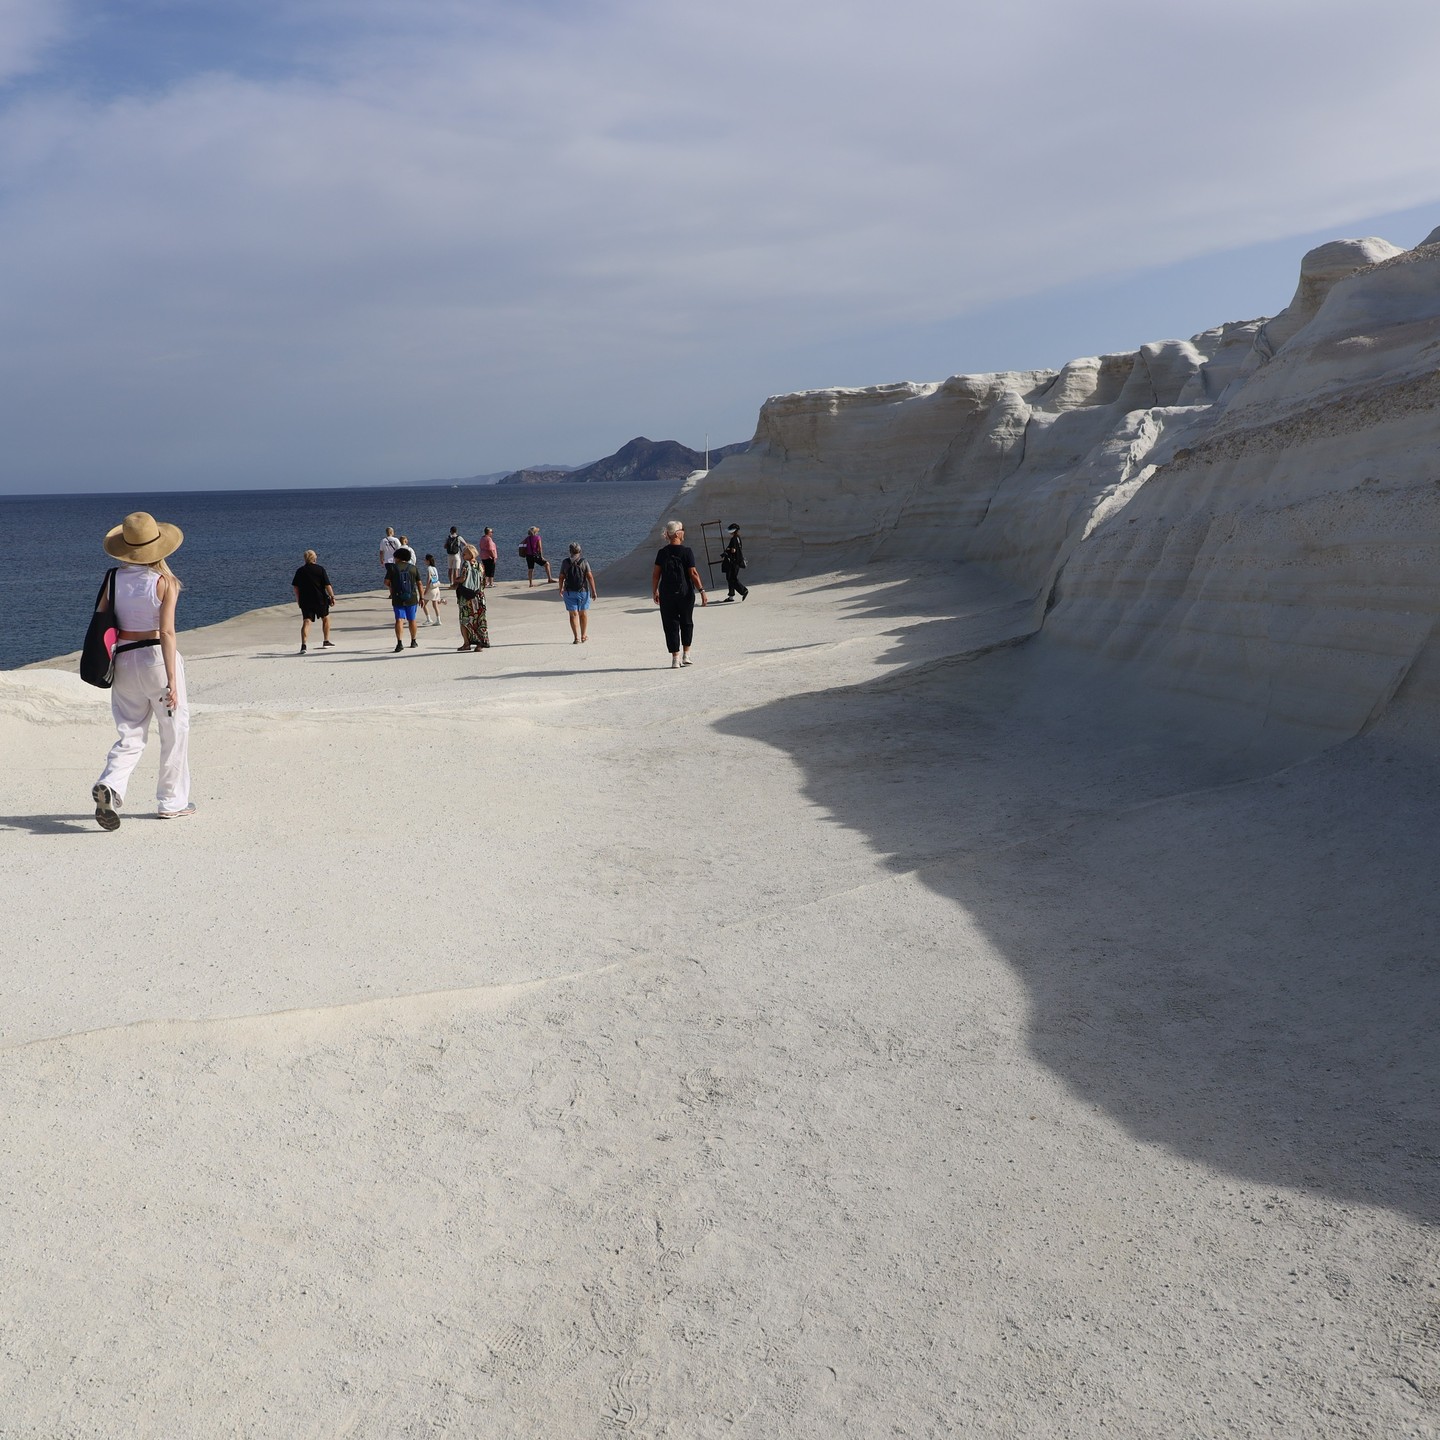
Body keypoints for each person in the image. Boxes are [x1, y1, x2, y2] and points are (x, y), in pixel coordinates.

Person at [91, 510, 194, 828]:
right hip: (156, 660)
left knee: (130, 731)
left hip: (123, 659)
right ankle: (170, 801)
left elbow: (101, 624)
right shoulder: (165, 582)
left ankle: (111, 783)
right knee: (174, 730)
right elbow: (167, 633)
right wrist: (173, 681)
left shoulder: (112, 579)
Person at [652, 519, 708, 668]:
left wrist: (655, 591)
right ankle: (686, 655)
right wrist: (702, 590)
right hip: (685, 593)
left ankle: (675, 658)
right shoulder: (687, 551)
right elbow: (693, 573)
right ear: (677, 533)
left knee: (670, 625)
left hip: (667, 593)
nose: (684, 532)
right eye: (682, 530)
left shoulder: (662, 553)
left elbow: (656, 575)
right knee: (686, 622)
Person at [291, 549, 337, 653]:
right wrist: (332, 596)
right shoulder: (320, 569)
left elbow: (296, 588)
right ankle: (326, 641)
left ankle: (303, 645)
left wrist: (298, 600)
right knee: (326, 618)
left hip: (305, 601)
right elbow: (327, 585)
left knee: (306, 621)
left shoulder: (300, 571)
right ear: (314, 558)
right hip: (320, 599)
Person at [453, 543, 490, 652]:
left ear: (469, 554)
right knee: (479, 621)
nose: (462, 556)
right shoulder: (480, 565)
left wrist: (456, 580)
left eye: (464, 554)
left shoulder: (466, 565)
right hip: (479, 597)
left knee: (465, 620)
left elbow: (463, 578)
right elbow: (484, 582)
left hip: (467, 598)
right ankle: (480, 644)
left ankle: (466, 643)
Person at [558, 542, 598, 644]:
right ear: (580, 551)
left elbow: (561, 577)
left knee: (573, 615)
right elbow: (589, 577)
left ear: (570, 551)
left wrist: (560, 588)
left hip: (569, 592)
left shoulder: (565, 562)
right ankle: (583, 636)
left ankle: (576, 638)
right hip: (583, 591)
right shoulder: (584, 562)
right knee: (583, 613)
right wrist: (594, 591)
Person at [386, 545, 423, 652]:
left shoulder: (392, 568)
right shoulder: (413, 568)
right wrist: (422, 597)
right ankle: (413, 641)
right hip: (412, 597)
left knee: (399, 619)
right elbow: (420, 584)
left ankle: (399, 643)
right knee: (412, 619)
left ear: (397, 557)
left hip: (398, 597)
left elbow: (386, 582)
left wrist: (392, 587)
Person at [720, 523, 749, 601]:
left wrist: (727, 551)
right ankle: (731, 596)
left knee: (732, 578)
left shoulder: (734, 539)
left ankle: (744, 591)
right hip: (737, 561)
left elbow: (733, 550)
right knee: (730, 578)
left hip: (733, 561)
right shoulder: (738, 538)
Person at [422, 554, 443, 624]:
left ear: (428, 561)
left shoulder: (429, 569)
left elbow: (428, 580)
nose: (424, 561)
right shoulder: (435, 568)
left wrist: (425, 590)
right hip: (436, 588)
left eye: (425, 560)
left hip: (431, 589)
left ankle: (428, 619)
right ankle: (438, 620)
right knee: (435, 605)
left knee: (423, 604)